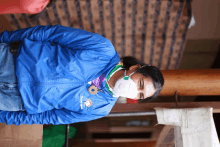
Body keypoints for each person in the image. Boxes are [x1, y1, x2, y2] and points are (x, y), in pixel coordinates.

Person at [0, 25, 164, 125]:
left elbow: (48, 117)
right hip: (11, 61)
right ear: (135, 68)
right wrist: (5, 38)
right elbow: (50, 33)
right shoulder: (103, 49)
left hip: (14, 100)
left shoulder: (101, 109)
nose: (135, 90)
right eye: (140, 83)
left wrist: (4, 116)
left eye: (140, 94)